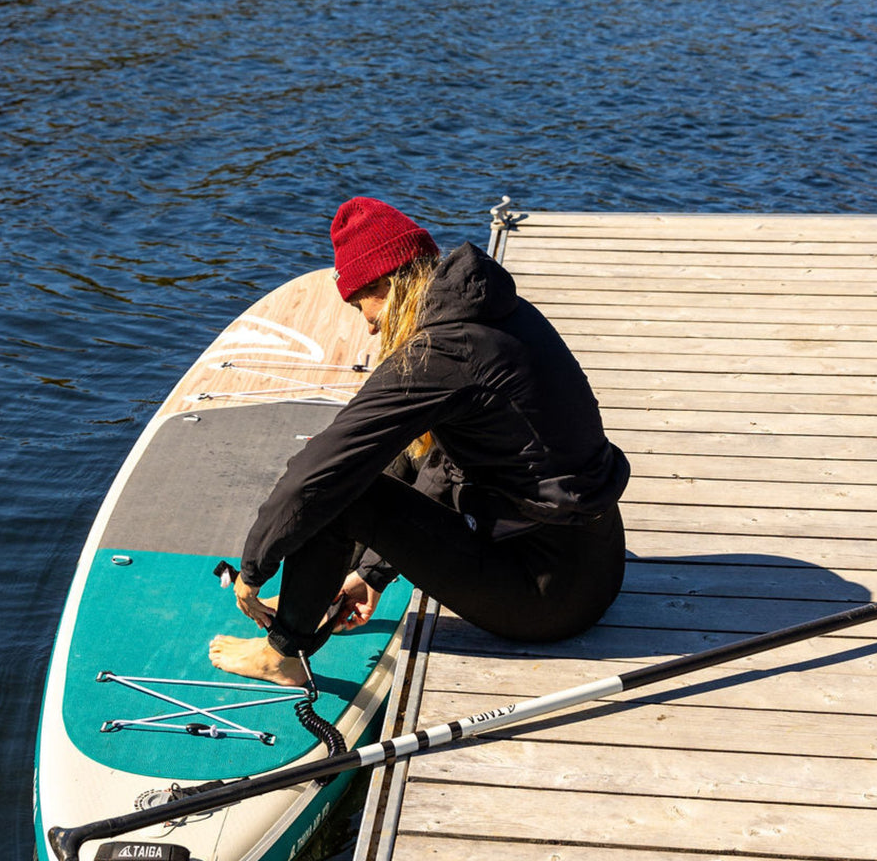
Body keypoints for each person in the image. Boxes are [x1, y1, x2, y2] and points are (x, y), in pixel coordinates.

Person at [209, 197, 629, 686]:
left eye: (362, 305)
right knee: (394, 455)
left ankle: (284, 654)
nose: (368, 325)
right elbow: (444, 462)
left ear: (390, 285)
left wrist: (254, 570)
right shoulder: (488, 312)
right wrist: (372, 573)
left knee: (339, 488)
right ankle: (322, 589)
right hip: (590, 560)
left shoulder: (445, 351)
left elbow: (318, 470)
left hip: (547, 598)